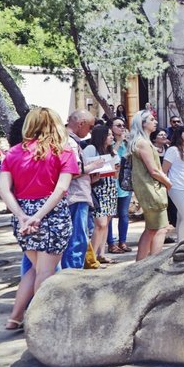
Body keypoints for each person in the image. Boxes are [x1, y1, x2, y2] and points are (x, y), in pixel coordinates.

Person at [0, 107, 79, 330]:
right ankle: (39, 321)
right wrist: (38, 216)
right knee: (45, 271)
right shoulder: (63, 152)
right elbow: (61, 188)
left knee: (34, 268)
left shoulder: (13, 152)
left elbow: (3, 189)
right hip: (51, 214)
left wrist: (23, 216)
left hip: (23, 214)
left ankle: (14, 318)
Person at [61, 110, 105, 269]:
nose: (90, 131)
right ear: (81, 124)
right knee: (77, 239)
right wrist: (94, 166)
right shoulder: (71, 142)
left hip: (75, 194)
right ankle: (73, 274)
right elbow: (72, 171)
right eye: (90, 126)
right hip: (76, 196)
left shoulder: (66, 140)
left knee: (76, 238)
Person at [128, 109, 172, 261]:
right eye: (152, 119)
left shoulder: (140, 142)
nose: (156, 122)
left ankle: (141, 264)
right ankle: (153, 263)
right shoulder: (143, 143)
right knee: (161, 228)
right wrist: (168, 183)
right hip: (151, 189)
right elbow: (153, 170)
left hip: (148, 188)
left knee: (151, 229)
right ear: (143, 123)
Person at [83, 124, 118, 266]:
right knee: (100, 224)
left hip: (110, 188)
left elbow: (116, 173)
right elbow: (84, 167)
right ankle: (90, 258)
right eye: (109, 134)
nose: (112, 137)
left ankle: (101, 254)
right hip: (98, 189)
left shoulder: (111, 151)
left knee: (106, 224)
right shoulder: (91, 149)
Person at [163, 124, 184, 241]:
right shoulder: (173, 150)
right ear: (179, 135)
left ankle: (179, 242)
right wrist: (167, 185)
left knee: (181, 215)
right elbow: (164, 170)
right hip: (176, 186)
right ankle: (183, 243)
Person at [107, 117, 132, 255]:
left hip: (124, 183)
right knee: (110, 215)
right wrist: (119, 141)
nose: (122, 128)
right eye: (118, 125)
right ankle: (111, 243)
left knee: (124, 214)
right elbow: (110, 157)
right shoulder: (108, 143)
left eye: (123, 125)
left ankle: (123, 241)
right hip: (111, 183)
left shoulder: (127, 144)